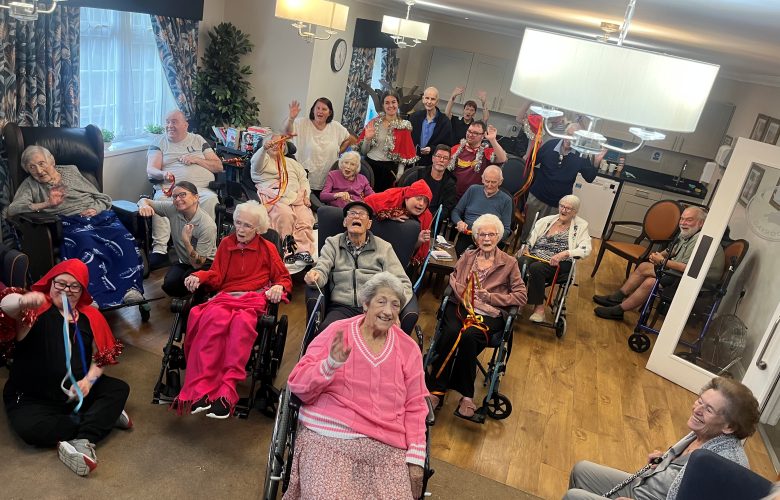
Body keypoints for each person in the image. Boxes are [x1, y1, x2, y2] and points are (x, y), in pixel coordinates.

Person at [284, 272, 428, 499]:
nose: (388, 311)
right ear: (365, 303)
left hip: (386, 446)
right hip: (329, 435)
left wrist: (416, 458)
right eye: (381, 301)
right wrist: (330, 364)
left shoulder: (408, 348)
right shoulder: (337, 331)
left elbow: (416, 405)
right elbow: (298, 384)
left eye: (395, 304)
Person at [0, 259, 130, 477]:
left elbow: (101, 358)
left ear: (82, 290)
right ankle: (101, 417)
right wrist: (23, 301)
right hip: (33, 397)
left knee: (119, 389)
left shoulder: (90, 316)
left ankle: (85, 437)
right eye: (60, 283)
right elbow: (6, 305)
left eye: (74, 286)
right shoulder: (35, 310)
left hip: (75, 393)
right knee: (32, 432)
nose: (66, 290)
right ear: (51, 282)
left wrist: (88, 381)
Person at [177, 201, 292, 418]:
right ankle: (201, 390)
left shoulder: (267, 248)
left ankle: (226, 392)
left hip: (253, 298)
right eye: (238, 223)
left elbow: (283, 277)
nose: (240, 229)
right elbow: (217, 275)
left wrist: (278, 286)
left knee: (241, 326)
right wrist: (199, 276)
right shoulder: (226, 244)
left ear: (258, 229)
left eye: (247, 226)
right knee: (211, 324)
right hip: (226, 297)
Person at [564, 376, 760, 500]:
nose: (696, 410)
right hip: (646, 487)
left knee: (574, 497)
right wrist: (663, 460)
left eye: (708, 409)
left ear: (729, 426)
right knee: (581, 470)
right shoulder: (705, 432)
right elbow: (679, 467)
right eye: (700, 401)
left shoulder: (725, 465)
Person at [7, 145, 145, 307]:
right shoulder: (30, 185)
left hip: (98, 216)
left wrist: (95, 209)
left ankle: (131, 289)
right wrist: (47, 203)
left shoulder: (71, 171)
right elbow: (13, 209)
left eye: (42, 163)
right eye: (32, 167)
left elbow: (101, 198)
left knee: (123, 237)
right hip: (70, 222)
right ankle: (94, 296)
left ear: (52, 161)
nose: (38, 170)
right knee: (86, 242)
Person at [426, 214, 527, 422]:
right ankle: (437, 391)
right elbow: (454, 280)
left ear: (498, 236)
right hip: (461, 306)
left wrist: (491, 297)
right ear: (476, 237)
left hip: (490, 313)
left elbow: (520, 296)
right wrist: (465, 295)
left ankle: (466, 395)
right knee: (452, 331)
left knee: (470, 336)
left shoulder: (509, 263)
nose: (487, 238)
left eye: (491, 234)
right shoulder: (467, 256)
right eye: (482, 234)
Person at [593, 206, 725, 321]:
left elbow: (688, 269)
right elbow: (673, 249)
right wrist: (660, 255)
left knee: (650, 282)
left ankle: (618, 309)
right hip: (683, 274)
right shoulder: (689, 232)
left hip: (695, 282)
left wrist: (661, 261)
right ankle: (617, 299)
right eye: (682, 218)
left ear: (701, 223)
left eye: (689, 220)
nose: (683, 223)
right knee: (645, 267)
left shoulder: (701, 240)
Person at [304, 201, 413, 331]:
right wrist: (315, 276)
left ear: (369, 224)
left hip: (374, 308)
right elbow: (322, 269)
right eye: (352, 213)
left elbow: (403, 283)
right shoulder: (332, 243)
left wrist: (393, 308)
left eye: (362, 214)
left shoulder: (384, 247)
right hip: (341, 307)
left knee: (380, 339)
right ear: (345, 222)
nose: (357, 217)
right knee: (328, 333)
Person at [146, 109, 222, 269]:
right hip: (171, 189)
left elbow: (218, 166)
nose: (169, 126)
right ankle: (160, 251)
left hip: (200, 189)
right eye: (167, 122)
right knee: (160, 199)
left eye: (174, 121)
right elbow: (151, 169)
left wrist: (196, 159)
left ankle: (204, 249)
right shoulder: (159, 142)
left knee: (211, 199)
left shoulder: (198, 140)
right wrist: (163, 173)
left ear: (185, 125)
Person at [519, 122, 605, 242]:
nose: (569, 140)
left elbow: (589, 178)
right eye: (568, 135)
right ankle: (522, 249)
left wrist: (596, 162)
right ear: (564, 134)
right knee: (528, 229)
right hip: (537, 197)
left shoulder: (581, 155)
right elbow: (530, 164)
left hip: (559, 204)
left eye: (574, 138)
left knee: (548, 234)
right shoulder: (550, 145)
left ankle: (537, 256)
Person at [517, 195, 591, 323]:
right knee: (521, 262)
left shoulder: (581, 226)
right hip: (536, 255)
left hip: (560, 262)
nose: (564, 210)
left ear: (575, 212)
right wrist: (527, 247)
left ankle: (539, 309)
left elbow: (586, 249)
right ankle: (518, 302)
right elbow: (531, 238)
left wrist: (565, 253)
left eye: (569, 208)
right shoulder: (546, 221)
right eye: (562, 206)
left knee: (536, 268)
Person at [137, 181, 217, 297]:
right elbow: (145, 200)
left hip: (205, 263)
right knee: (169, 285)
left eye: (183, 195)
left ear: (196, 197)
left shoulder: (207, 225)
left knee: (187, 281)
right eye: (175, 196)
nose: (178, 199)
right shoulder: (173, 209)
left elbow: (197, 264)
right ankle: (191, 293)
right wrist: (144, 205)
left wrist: (186, 241)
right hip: (185, 262)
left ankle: (204, 293)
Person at [251, 133, 315, 265]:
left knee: (305, 217)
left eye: (281, 143)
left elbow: (304, 181)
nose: (276, 145)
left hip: (297, 197)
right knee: (285, 215)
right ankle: (287, 251)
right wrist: (263, 149)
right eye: (272, 143)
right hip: (274, 197)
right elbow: (256, 164)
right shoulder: (262, 160)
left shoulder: (292, 162)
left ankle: (303, 250)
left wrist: (307, 196)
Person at [283, 97, 352, 197]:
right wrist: (291, 118)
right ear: (313, 110)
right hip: (305, 177)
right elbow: (286, 132)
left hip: (327, 179)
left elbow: (348, 139)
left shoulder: (336, 127)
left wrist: (339, 151)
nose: (320, 111)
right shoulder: (302, 123)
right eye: (317, 108)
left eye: (324, 109)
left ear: (330, 112)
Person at [357, 91, 418, 192]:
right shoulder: (374, 123)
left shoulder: (404, 126)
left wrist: (400, 173)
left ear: (398, 104)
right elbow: (363, 152)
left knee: (382, 203)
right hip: (370, 167)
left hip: (389, 171)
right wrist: (367, 139)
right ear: (383, 105)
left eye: (393, 102)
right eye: (387, 102)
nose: (390, 105)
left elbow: (404, 153)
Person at [365, 179, 434, 264]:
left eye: (426, 201)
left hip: (397, 260)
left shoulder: (426, 217)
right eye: (419, 198)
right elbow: (363, 206)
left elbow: (411, 252)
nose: (421, 204)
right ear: (407, 198)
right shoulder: (390, 197)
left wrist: (419, 241)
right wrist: (387, 214)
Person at [451, 165, 513, 255]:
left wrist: (490, 238)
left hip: (490, 242)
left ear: (500, 182)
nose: (489, 185)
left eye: (494, 182)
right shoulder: (473, 190)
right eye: (487, 181)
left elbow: (506, 230)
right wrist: (459, 222)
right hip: (468, 235)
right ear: (482, 179)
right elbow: (456, 211)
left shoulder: (506, 200)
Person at [448, 121, 508, 198]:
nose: (470, 135)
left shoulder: (486, 152)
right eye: (469, 131)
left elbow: (502, 159)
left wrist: (493, 140)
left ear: (483, 136)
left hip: (474, 197)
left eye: (475, 133)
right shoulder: (456, 149)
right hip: (452, 195)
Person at [399, 144, 457, 222]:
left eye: (445, 158)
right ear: (433, 158)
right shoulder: (417, 175)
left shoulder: (450, 184)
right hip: (408, 216)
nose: (441, 160)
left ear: (449, 162)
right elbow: (402, 195)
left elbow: (446, 209)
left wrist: (428, 219)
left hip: (431, 221)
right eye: (439, 156)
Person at [409, 86, 452, 166]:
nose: (429, 102)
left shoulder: (445, 122)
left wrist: (432, 149)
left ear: (437, 102)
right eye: (427, 98)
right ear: (423, 99)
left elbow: (447, 146)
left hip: (432, 164)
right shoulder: (414, 117)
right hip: (412, 162)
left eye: (432, 99)